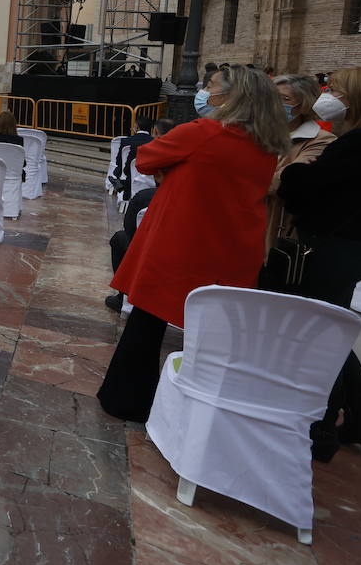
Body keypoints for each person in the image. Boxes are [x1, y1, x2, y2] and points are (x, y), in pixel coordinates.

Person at [98, 64, 288, 422]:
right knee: (211, 334)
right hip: (233, 247)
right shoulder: (266, 144)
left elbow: (146, 158)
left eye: (212, 86)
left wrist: (171, 169)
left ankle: (128, 401)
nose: (206, 91)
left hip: (185, 241)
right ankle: (197, 407)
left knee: (147, 324)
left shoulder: (206, 131)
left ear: (231, 97)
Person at [278, 65, 361, 461]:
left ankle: (324, 426)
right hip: (345, 249)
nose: (332, 97)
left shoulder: (353, 145)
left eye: (340, 92)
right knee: (330, 331)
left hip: (330, 250)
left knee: (322, 335)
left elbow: (300, 189)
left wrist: (294, 171)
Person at [105, 118, 175, 312]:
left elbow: (130, 227)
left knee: (122, 239)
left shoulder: (145, 197)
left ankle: (123, 295)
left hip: (151, 248)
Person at [265, 74, 336, 254]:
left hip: (276, 231)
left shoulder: (320, 141)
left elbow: (281, 183)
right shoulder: (258, 133)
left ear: (303, 104)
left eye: (284, 99)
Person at [109, 117, 156, 197]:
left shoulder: (126, 141)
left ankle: (119, 183)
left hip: (128, 175)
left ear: (137, 126)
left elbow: (119, 161)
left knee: (117, 172)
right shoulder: (155, 143)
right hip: (149, 178)